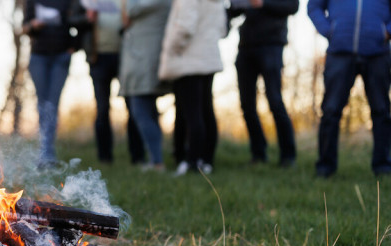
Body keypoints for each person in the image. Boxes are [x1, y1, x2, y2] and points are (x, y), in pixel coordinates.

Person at [308, 0, 391, 177]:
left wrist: (387, 31)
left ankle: (383, 167)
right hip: (339, 52)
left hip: (378, 52)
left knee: (381, 110)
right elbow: (314, 6)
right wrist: (329, 30)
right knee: (330, 110)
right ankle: (325, 167)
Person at [159, 0, 226, 175]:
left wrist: (172, 50)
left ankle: (191, 161)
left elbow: (184, 28)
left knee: (190, 114)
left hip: (188, 59)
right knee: (206, 111)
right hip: (208, 58)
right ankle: (206, 160)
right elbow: (222, 30)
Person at [228, 0, 298, 167]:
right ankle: (258, 153)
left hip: (271, 45)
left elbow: (292, 6)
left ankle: (288, 156)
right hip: (246, 46)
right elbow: (232, 11)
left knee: (275, 101)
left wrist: (263, 3)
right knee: (246, 104)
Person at [77, 0, 147, 165]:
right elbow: (72, 20)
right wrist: (88, 18)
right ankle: (105, 157)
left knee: (133, 106)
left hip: (126, 57)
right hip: (98, 58)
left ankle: (137, 156)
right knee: (102, 109)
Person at [24, 0, 84, 167]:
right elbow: (25, 27)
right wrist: (34, 25)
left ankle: (48, 153)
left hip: (61, 57)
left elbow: (81, 23)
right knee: (43, 105)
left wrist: (73, 46)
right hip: (38, 58)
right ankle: (44, 152)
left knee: (52, 104)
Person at [119, 0, 172, 171]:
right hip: (144, 61)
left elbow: (130, 9)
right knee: (147, 111)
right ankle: (156, 159)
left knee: (140, 111)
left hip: (145, 62)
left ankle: (157, 162)